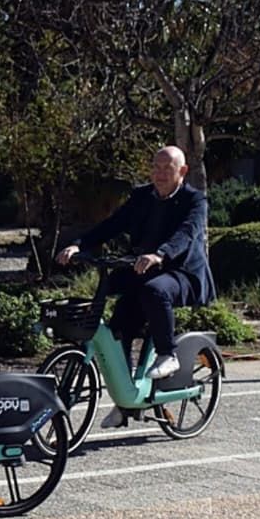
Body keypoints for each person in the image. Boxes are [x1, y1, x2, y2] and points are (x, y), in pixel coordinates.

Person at [55, 145, 214, 428]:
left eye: (168, 168)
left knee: (155, 290)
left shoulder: (195, 200)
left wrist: (160, 254)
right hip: (142, 269)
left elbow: (186, 233)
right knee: (118, 325)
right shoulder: (142, 196)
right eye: (156, 167)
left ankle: (168, 354)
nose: (160, 174)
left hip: (181, 272)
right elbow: (113, 224)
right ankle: (125, 397)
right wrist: (78, 245)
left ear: (183, 171)